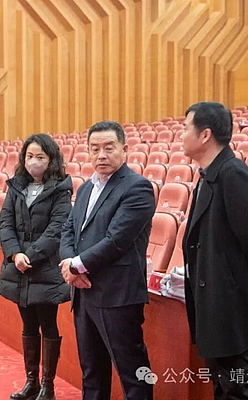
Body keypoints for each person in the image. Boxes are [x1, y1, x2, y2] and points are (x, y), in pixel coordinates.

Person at [181, 102, 248, 400]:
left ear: (205, 135)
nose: (181, 135)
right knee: (224, 386)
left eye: (186, 128)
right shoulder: (209, 174)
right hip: (215, 299)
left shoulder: (233, 174)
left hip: (230, 302)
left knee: (236, 389)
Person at [60, 120, 155, 400]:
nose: (101, 155)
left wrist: (76, 266)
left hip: (118, 295)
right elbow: (69, 230)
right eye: (95, 149)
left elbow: (116, 241)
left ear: (124, 149)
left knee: (132, 373)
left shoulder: (137, 188)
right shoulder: (85, 189)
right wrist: (69, 263)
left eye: (109, 148)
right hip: (84, 293)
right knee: (91, 372)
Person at [0, 133, 73, 400]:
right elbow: (5, 222)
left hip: (46, 268)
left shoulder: (61, 189)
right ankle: (31, 382)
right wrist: (14, 254)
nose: (34, 162)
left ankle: (47, 386)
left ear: (51, 159)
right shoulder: (17, 186)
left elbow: (57, 229)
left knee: (48, 325)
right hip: (19, 267)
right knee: (28, 326)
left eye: (40, 157)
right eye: (29, 156)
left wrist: (29, 256)